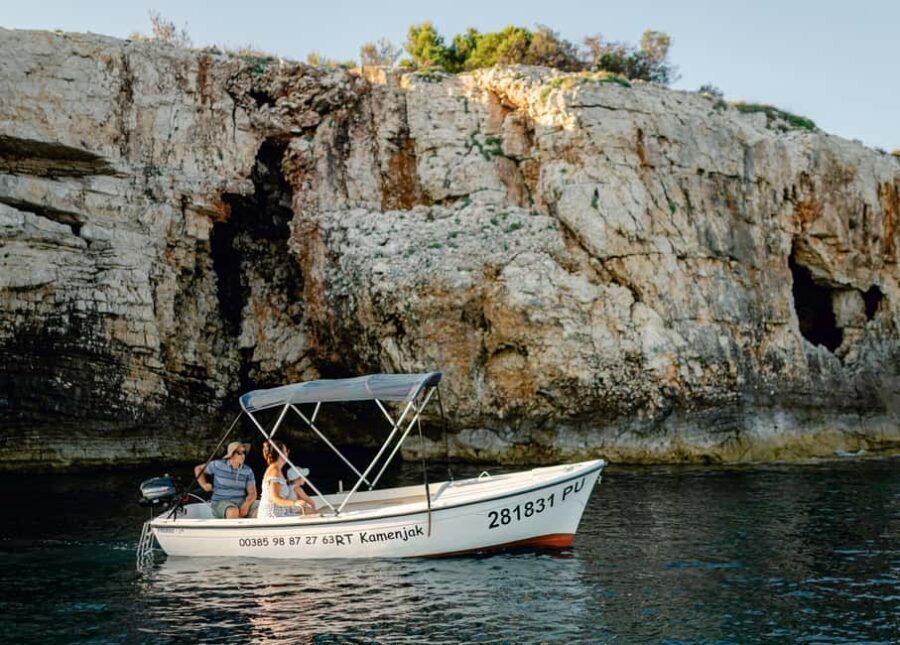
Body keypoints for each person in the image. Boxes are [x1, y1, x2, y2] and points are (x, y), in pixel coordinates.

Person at [195, 441, 257, 519]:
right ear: (231, 455)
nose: (243, 455)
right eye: (239, 453)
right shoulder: (218, 465)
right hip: (221, 502)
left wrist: (246, 504)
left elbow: (252, 493)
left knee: (260, 512)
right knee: (233, 512)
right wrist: (203, 485)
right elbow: (198, 468)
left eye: (244, 452)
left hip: (241, 502)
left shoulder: (247, 470)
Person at [258, 441, 316, 518]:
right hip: (272, 516)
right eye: (286, 451)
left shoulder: (277, 470)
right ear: (280, 453)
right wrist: (295, 503)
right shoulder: (274, 471)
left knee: (311, 515)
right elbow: (275, 498)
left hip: (282, 513)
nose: (287, 453)